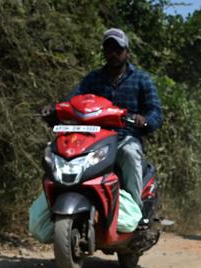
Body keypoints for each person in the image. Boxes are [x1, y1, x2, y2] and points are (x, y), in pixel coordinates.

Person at [69, 28, 162, 212]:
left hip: (125, 140)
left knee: (130, 154)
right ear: (103, 52)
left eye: (118, 49)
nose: (113, 54)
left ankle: (134, 212)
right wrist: (57, 110)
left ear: (127, 52)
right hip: (93, 141)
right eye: (108, 49)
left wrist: (144, 120)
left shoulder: (141, 79)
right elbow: (73, 100)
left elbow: (156, 112)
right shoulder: (92, 79)